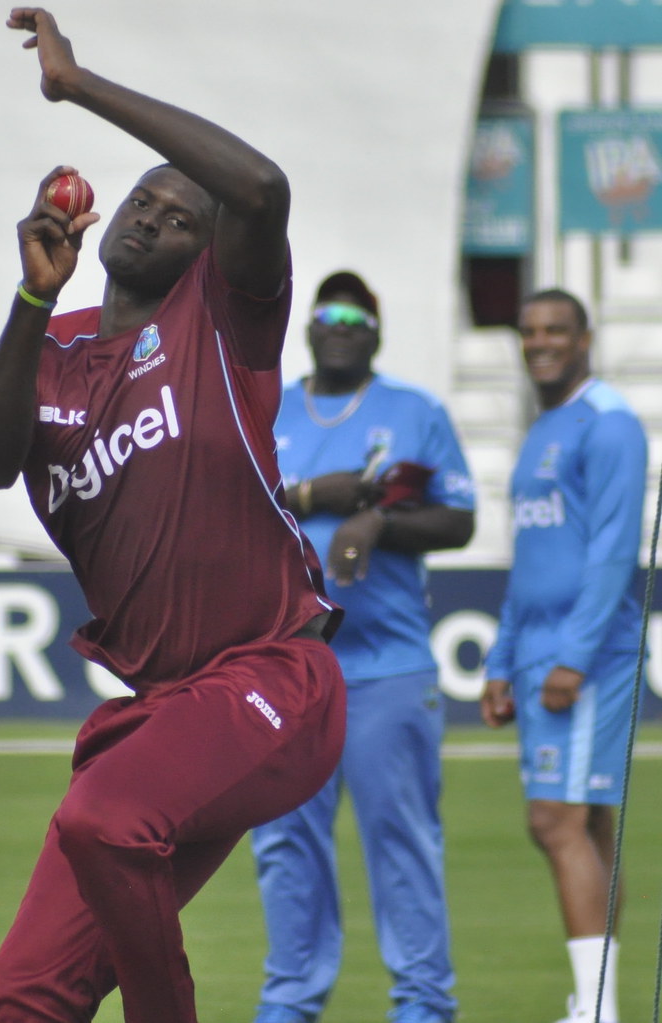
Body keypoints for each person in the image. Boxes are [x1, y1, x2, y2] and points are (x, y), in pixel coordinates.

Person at [0, 10, 348, 1023]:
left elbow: (258, 189)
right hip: (168, 711)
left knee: (100, 819)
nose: (148, 218)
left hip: (272, 676)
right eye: (140, 202)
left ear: (207, 255)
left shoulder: (222, 320)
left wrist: (78, 86)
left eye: (180, 217)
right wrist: (28, 302)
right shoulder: (50, 352)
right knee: (21, 996)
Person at [250, 271, 475, 1023]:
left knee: (401, 840)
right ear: (308, 327)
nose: (340, 324)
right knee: (284, 843)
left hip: (387, 664)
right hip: (286, 666)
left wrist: (379, 521)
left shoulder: (415, 411)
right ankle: (288, 1002)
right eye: (327, 313)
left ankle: (421, 1006)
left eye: (356, 315)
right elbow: (226, 502)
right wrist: (317, 496)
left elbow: (457, 522)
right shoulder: (267, 408)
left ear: (375, 331)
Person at [481, 288, 648, 1023]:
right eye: (528, 331)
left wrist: (573, 657)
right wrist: (499, 659)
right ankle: (594, 1000)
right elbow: (531, 559)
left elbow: (613, 552)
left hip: (586, 655)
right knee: (587, 823)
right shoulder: (545, 425)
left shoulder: (609, 423)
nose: (539, 342)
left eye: (555, 330)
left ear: (584, 337)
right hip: (536, 649)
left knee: (554, 819)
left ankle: (598, 1010)